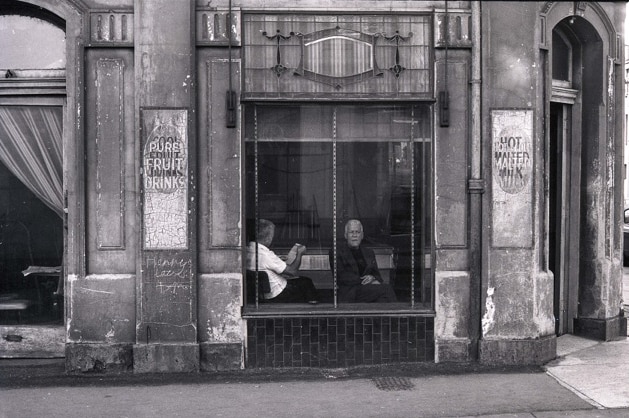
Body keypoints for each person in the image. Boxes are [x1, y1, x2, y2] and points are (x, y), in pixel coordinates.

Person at [246, 219, 319, 304]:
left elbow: (263, 263)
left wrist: (277, 259)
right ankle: (312, 308)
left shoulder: (248, 249)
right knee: (306, 282)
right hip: (276, 293)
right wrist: (299, 254)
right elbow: (292, 271)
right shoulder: (266, 255)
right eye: (272, 236)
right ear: (268, 238)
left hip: (261, 293)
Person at [330, 219, 397, 303]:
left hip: (367, 291)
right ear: (345, 235)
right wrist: (365, 281)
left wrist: (372, 277)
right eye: (351, 232)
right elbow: (341, 277)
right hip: (350, 292)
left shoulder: (369, 252)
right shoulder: (337, 251)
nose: (355, 235)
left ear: (362, 235)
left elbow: (378, 276)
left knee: (382, 300)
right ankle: (400, 315)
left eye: (357, 232)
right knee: (387, 289)